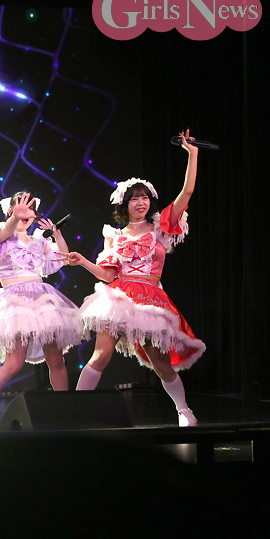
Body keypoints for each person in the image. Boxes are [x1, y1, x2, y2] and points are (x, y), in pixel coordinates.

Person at [59, 130, 204, 427]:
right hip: (119, 298)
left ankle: (183, 410)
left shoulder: (161, 227)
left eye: (144, 197)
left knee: (160, 363)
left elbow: (187, 193)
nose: (141, 202)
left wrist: (193, 154)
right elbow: (107, 275)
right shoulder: (114, 235)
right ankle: (76, 410)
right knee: (101, 354)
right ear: (124, 204)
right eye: (135, 198)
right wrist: (82, 260)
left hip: (150, 298)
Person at [0, 192, 83, 430]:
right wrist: (14, 218)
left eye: (30, 209)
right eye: (20, 208)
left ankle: (64, 409)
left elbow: (61, 260)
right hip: (16, 304)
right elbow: (6, 231)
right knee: (13, 363)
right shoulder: (1, 234)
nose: (26, 213)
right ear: (11, 211)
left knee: (56, 358)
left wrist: (58, 236)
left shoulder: (39, 241)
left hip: (43, 301)